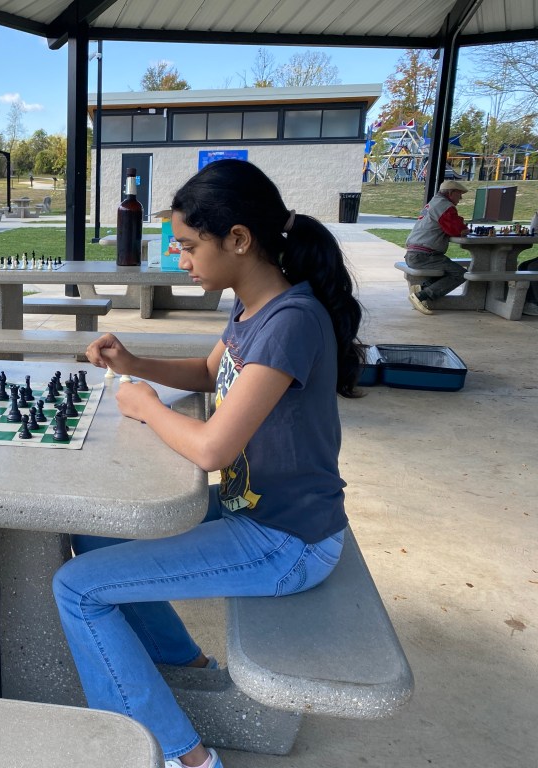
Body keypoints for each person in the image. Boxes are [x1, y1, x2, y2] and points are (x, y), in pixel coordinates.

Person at [52, 159, 363, 768]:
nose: (180, 259)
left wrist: (146, 407)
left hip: (287, 540)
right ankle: (185, 664)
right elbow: (206, 372)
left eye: (189, 246)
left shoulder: (291, 322)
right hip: (258, 513)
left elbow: (212, 448)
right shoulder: (252, 308)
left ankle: (182, 757)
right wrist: (133, 364)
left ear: (238, 240)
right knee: (94, 533)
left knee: (77, 590)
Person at [403, 180, 470, 315]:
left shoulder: (434, 203)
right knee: (460, 273)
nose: (461, 198)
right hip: (424, 255)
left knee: (449, 270)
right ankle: (420, 296)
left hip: (414, 253)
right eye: (459, 194)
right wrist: (464, 228)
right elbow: (457, 230)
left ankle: (421, 289)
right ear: (451, 193)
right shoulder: (445, 207)